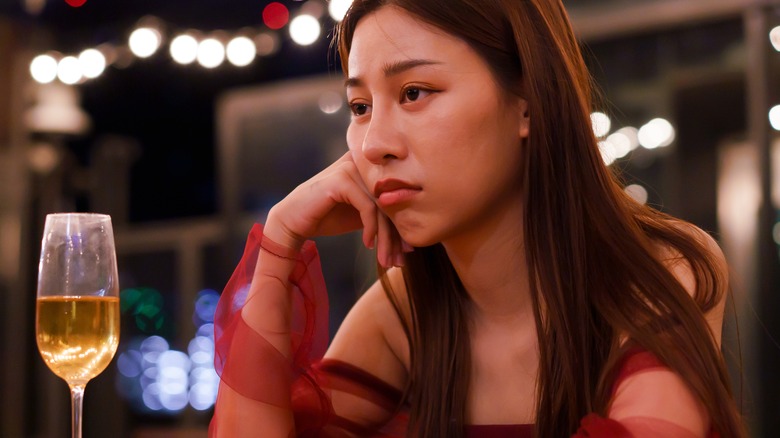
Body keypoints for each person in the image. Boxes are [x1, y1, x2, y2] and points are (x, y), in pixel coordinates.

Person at [210, 0, 746, 436]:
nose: (373, 145)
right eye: (360, 107)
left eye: (414, 93)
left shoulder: (659, 267)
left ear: (528, 102)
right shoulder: (401, 314)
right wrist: (280, 240)